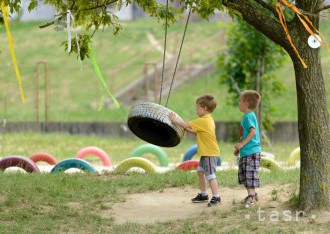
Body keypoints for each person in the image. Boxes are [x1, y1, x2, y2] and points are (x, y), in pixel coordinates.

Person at [169, 94, 221, 207]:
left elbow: (184, 124)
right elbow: (197, 133)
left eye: (197, 108)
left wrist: (174, 120)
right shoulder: (208, 119)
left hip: (209, 153)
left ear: (205, 108)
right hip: (206, 152)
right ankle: (203, 194)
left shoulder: (203, 120)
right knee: (200, 171)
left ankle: (216, 197)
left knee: (210, 175)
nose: (196, 110)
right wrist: (186, 130)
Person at [234, 90, 261, 208]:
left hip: (251, 151)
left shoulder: (248, 116)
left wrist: (242, 144)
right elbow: (244, 134)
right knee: (244, 175)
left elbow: (253, 132)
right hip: (246, 152)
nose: (238, 103)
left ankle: (251, 198)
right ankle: (252, 194)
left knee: (250, 174)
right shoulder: (247, 116)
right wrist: (239, 147)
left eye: (240, 101)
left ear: (246, 103)